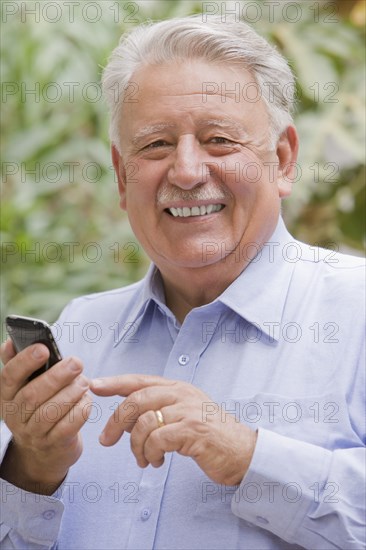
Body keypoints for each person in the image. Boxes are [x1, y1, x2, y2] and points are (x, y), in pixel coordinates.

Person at [0, 14, 364, 550]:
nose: (187, 171)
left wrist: (248, 456)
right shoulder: (81, 330)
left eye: (218, 140)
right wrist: (33, 468)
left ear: (283, 160)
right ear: (123, 177)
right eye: (155, 146)